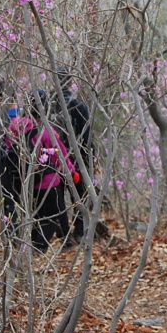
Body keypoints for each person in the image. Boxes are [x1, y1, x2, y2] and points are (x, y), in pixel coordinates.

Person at [25, 90, 79, 250]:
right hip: (48, 182)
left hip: (29, 182)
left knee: (40, 215)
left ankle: (66, 240)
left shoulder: (18, 126)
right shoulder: (46, 131)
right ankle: (38, 248)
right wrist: (71, 173)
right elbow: (60, 155)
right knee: (53, 216)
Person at [54, 67, 92, 240]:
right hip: (76, 160)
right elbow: (87, 137)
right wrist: (88, 159)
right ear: (70, 83)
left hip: (51, 161)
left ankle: (64, 234)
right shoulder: (79, 107)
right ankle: (79, 231)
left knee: (57, 197)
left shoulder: (47, 104)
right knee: (79, 196)